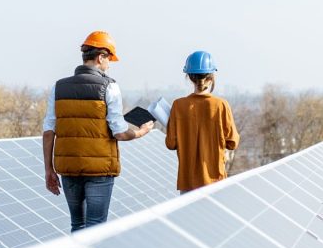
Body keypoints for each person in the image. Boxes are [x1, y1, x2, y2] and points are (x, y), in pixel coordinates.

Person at [42, 30, 154, 232]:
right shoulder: (109, 86)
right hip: (99, 170)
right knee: (96, 228)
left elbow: (49, 130)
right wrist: (141, 132)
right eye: (109, 58)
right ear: (101, 56)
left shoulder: (59, 87)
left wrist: (48, 169)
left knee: (77, 225)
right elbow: (119, 132)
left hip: (68, 168)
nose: (109, 64)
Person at [165, 50, 240, 193]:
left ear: (189, 77)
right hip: (215, 181)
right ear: (212, 76)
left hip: (188, 182)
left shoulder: (178, 106)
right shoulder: (221, 105)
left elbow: (171, 143)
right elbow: (233, 142)